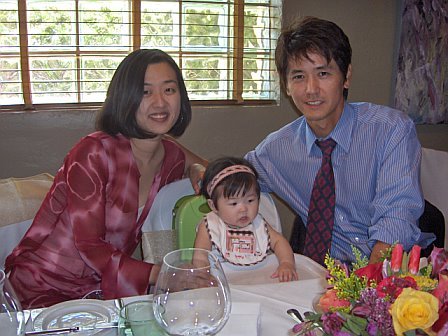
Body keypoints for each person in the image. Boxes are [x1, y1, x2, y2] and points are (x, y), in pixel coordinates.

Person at [5, 49, 207, 309]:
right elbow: (89, 245)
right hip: (45, 287)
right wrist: (165, 273)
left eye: (169, 90)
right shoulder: (93, 152)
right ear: (125, 98)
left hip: (99, 290)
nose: (160, 102)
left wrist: (196, 168)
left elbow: (207, 167)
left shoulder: (171, 155)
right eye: (145, 92)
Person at [244, 17, 431, 265]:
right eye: (298, 76)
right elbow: (233, 176)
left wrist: (367, 290)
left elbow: (395, 222)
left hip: (387, 270)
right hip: (322, 275)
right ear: (286, 85)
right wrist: (191, 163)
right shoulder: (277, 148)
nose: (311, 89)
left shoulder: (390, 131)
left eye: (323, 73)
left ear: (346, 77)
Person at [194, 157, 298, 282]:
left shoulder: (258, 223)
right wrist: (202, 275)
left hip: (259, 280)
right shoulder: (210, 226)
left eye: (250, 200)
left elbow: (279, 242)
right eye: (233, 203)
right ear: (213, 206)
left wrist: (286, 263)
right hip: (222, 282)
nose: (243, 209)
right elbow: (200, 256)